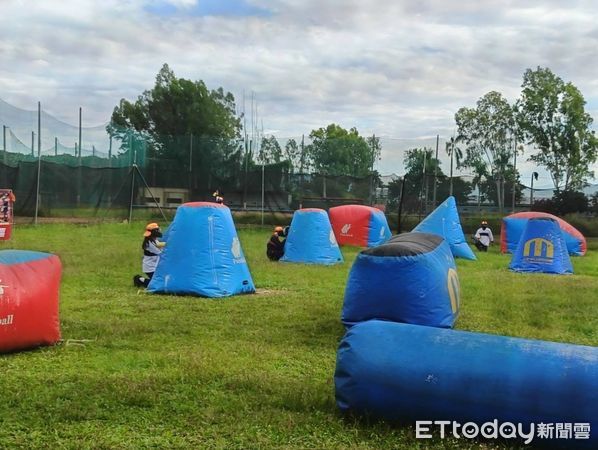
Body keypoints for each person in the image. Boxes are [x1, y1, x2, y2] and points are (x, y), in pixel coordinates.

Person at [133, 223, 165, 288]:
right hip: (150, 268)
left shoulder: (154, 240)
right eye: (158, 230)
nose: (159, 231)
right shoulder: (149, 243)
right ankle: (139, 279)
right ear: (154, 232)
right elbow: (161, 253)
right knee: (156, 284)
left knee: (162, 281)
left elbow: (160, 244)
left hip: (155, 266)